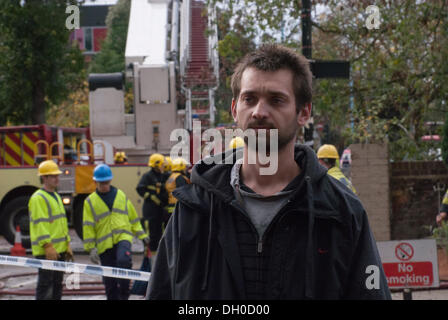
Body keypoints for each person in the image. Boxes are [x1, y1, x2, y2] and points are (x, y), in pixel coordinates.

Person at [146, 43, 390, 300]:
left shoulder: (341, 212)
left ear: (303, 112)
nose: (259, 112)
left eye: (276, 100)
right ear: (234, 109)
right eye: (249, 99)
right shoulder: (195, 208)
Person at [83, 164, 149, 300]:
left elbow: (133, 218)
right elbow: (88, 226)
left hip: (123, 237)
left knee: (123, 261)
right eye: (101, 183)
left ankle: (124, 294)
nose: (104, 185)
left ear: (110, 180)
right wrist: (91, 248)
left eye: (106, 182)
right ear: (95, 182)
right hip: (104, 244)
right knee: (109, 279)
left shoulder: (120, 195)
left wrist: (142, 236)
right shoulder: (90, 202)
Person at [29, 160, 73, 300]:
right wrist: (47, 245)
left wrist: (67, 244)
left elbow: (61, 224)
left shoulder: (56, 196)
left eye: (57, 175)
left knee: (57, 285)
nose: (57, 178)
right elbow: (40, 224)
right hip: (46, 251)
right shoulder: (38, 198)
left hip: (58, 250)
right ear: (44, 178)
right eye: (53, 176)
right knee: (46, 286)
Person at [136, 154, 168, 259]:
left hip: (160, 211)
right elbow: (140, 189)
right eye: (162, 164)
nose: (163, 166)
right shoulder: (147, 176)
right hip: (150, 211)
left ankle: (158, 257)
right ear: (155, 165)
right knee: (151, 236)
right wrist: (151, 197)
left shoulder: (163, 176)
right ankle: (149, 261)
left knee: (160, 235)